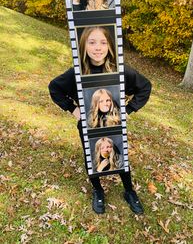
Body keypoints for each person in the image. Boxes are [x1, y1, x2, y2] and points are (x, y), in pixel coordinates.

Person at [48, 51, 152, 215]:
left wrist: (128, 110)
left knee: (119, 154)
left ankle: (129, 190)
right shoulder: (78, 71)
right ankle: (98, 190)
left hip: (114, 124)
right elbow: (54, 88)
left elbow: (145, 86)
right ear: (84, 46)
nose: (97, 48)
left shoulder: (119, 69)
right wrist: (73, 108)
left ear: (109, 46)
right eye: (92, 42)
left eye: (102, 43)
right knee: (92, 156)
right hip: (88, 125)